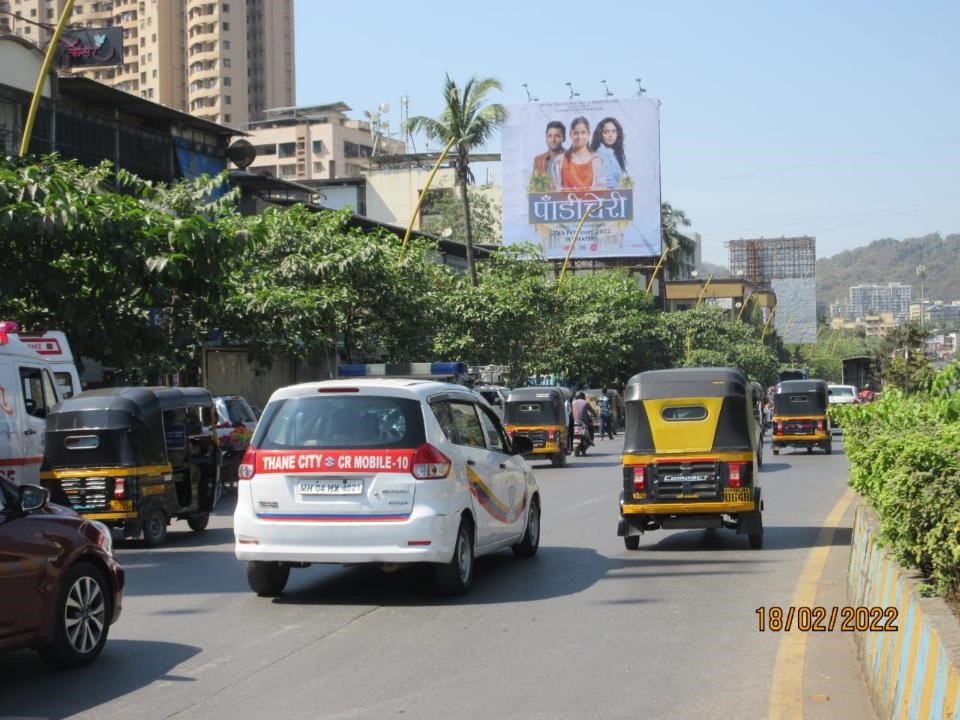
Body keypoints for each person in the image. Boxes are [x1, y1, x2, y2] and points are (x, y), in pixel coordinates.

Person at [550, 116, 605, 191]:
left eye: (583, 132)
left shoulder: (598, 160)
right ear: (570, 135)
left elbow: (601, 190)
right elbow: (555, 191)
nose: (579, 136)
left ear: (589, 134)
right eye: (576, 133)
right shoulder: (558, 161)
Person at [589, 117, 626, 189]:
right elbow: (608, 182)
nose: (610, 135)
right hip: (608, 193)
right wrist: (623, 186)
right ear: (600, 134)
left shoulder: (611, 151)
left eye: (614, 131)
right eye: (606, 132)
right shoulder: (601, 152)